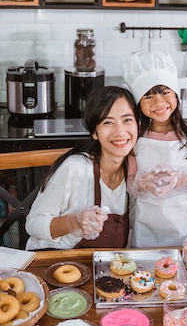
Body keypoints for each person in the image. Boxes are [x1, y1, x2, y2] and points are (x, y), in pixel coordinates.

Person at [123, 51, 187, 248]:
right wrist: (142, 181)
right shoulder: (136, 137)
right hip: (144, 225)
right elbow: (129, 180)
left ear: (176, 94)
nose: (159, 102)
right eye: (148, 96)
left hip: (180, 226)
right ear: (138, 104)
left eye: (165, 92)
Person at [25, 85, 139, 250]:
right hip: (57, 259)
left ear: (138, 124)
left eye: (127, 120)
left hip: (105, 265)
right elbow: (33, 223)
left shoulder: (135, 173)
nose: (120, 131)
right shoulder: (75, 167)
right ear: (94, 132)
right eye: (108, 122)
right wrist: (74, 222)